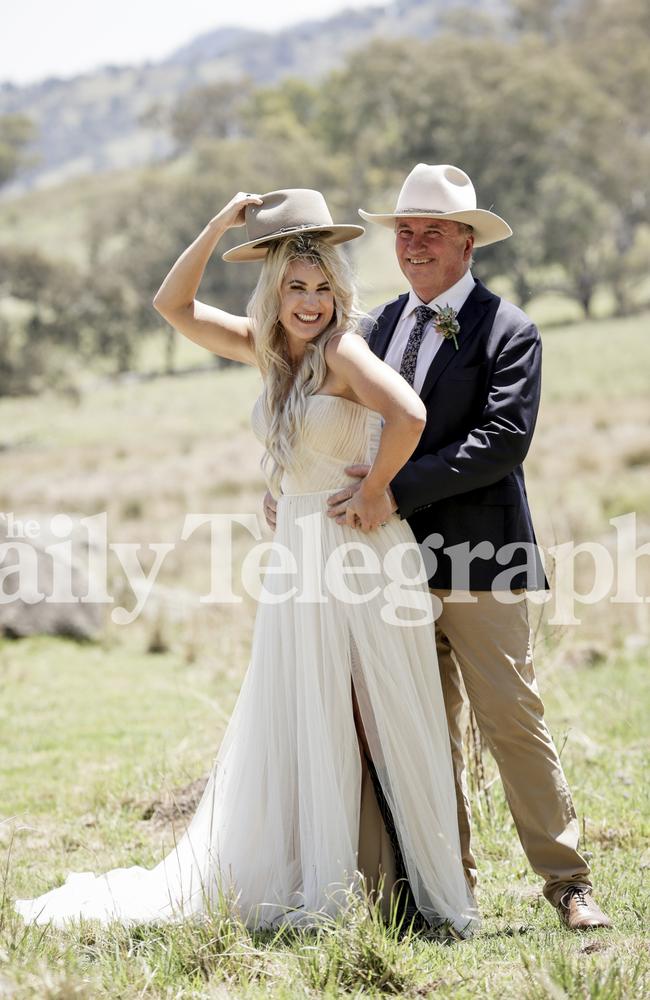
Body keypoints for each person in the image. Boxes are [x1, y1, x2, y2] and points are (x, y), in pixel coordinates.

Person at [14, 189, 478, 936]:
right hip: (297, 552)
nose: (312, 302)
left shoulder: (342, 349)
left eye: (325, 287)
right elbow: (174, 306)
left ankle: (418, 895)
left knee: (370, 718)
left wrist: (378, 488)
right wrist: (215, 226)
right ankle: (322, 876)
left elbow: (410, 415)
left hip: (354, 549)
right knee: (305, 716)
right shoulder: (268, 351)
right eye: (297, 286)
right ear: (274, 290)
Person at [281, 163, 610, 931]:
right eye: (406, 232)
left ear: (467, 242)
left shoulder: (510, 329)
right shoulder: (376, 326)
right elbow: (332, 411)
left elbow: (502, 442)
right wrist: (292, 482)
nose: (416, 244)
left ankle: (568, 882)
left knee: (511, 721)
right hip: (386, 566)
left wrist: (393, 488)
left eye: (433, 231)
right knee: (415, 733)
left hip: (481, 560)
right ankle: (443, 891)